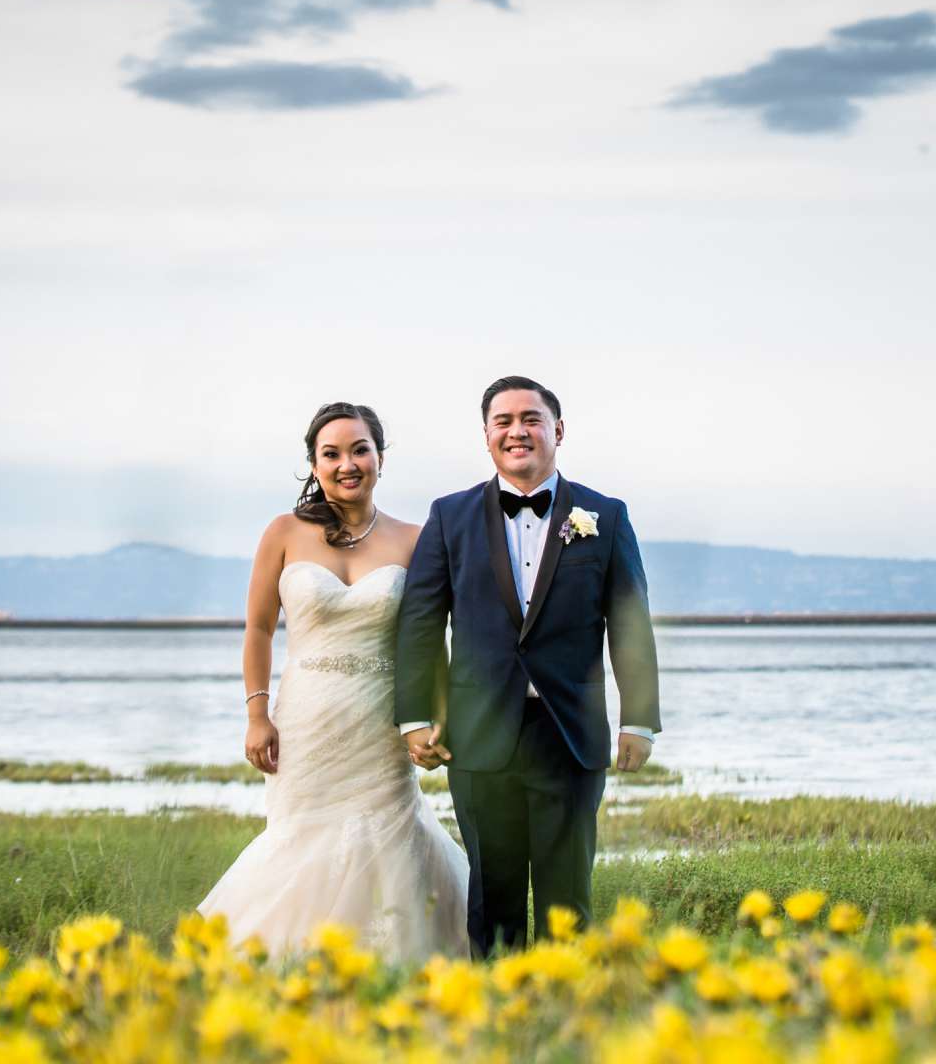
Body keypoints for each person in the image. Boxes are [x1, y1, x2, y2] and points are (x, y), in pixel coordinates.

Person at [393, 376, 662, 954]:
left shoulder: (605, 516)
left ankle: (570, 1019)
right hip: (479, 734)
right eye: (503, 421)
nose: (518, 431)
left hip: (570, 734)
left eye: (531, 419)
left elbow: (631, 623)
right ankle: (495, 1021)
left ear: (557, 431)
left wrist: (638, 719)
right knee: (493, 900)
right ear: (487, 436)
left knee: (570, 902)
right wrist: (416, 714)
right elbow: (419, 621)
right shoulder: (449, 516)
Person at [195, 402, 469, 959]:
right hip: (306, 719)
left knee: (388, 834)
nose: (348, 463)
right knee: (301, 837)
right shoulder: (283, 532)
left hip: (381, 719)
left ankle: (394, 962)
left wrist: (433, 715)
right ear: (314, 466)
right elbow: (257, 628)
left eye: (360, 449)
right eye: (332, 453)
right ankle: (289, 962)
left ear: (381, 459)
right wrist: (256, 714)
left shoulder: (417, 540)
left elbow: (432, 639)